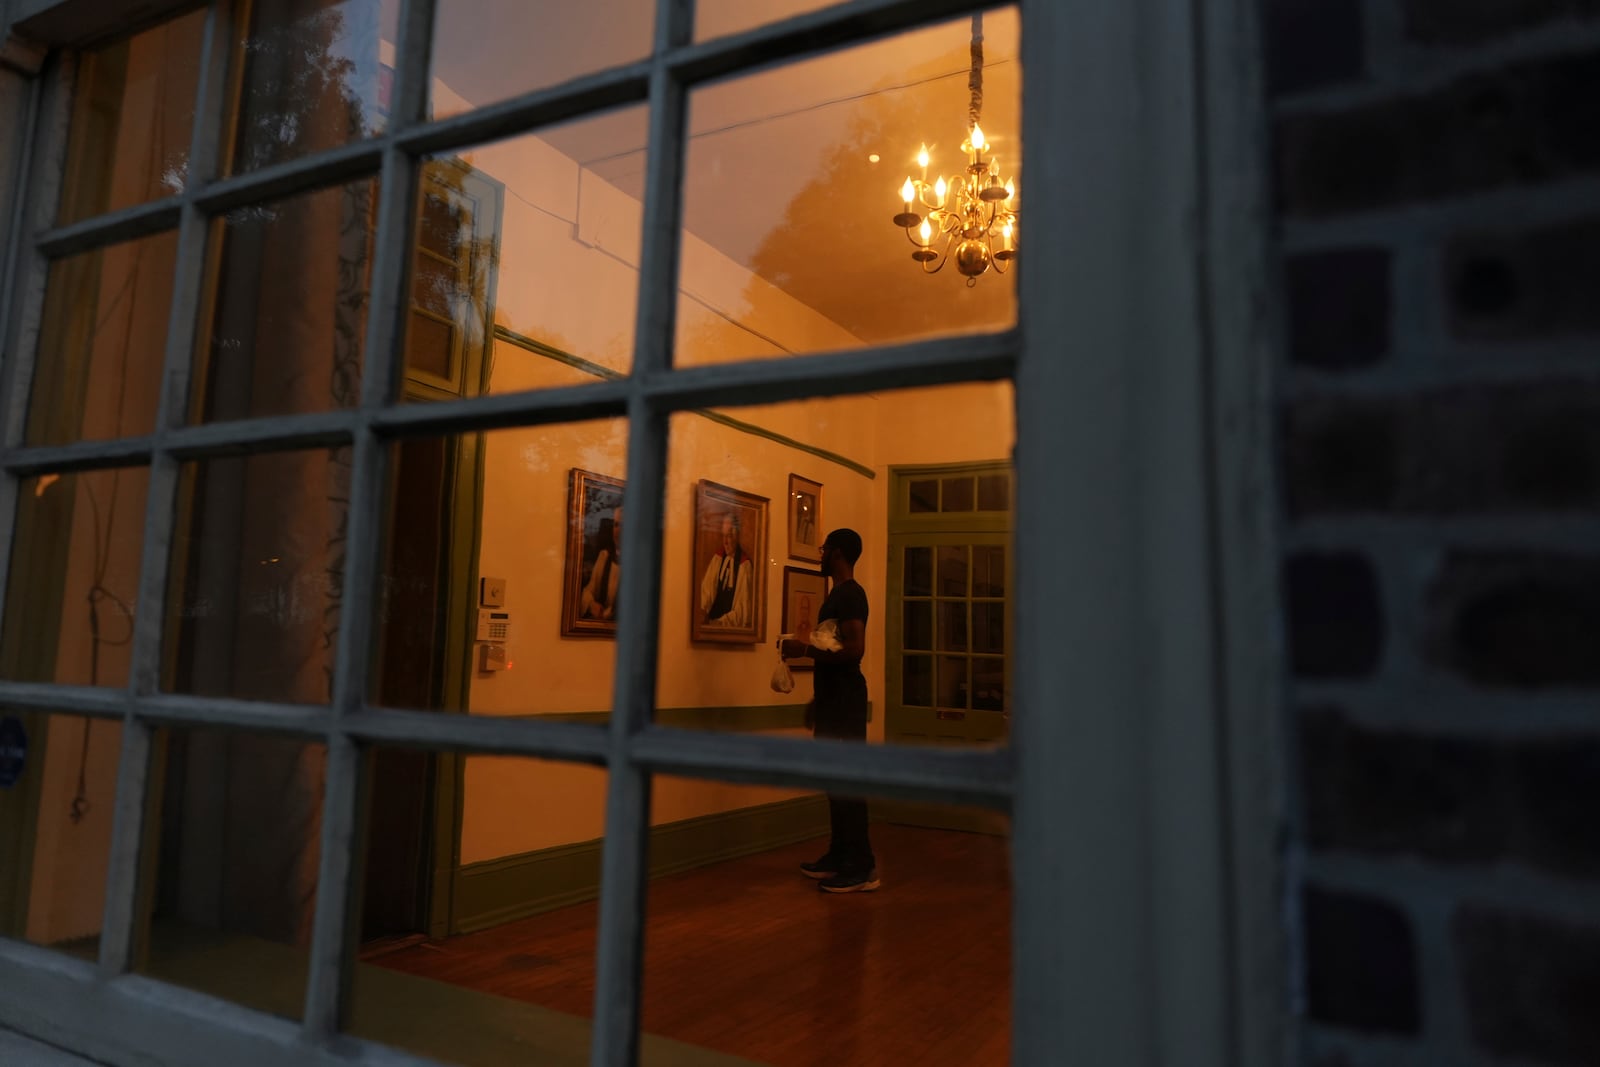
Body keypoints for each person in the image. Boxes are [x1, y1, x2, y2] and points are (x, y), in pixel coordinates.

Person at [781, 528, 876, 893]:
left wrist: (804, 651)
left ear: (837, 553)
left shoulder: (851, 594)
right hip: (835, 700)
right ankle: (840, 855)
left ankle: (862, 866)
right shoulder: (839, 594)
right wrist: (817, 702)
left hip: (846, 699)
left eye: (824, 549)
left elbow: (854, 651)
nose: (820, 554)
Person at [699, 511, 752, 629]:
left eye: (729, 536)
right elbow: (706, 593)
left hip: (726, 629)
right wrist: (701, 612)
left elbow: (741, 613)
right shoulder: (718, 558)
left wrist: (716, 623)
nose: (725, 542)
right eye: (724, 535)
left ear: (737, 535)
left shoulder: (745, 565)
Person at [580, 506, 621, 620]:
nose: (618, 530)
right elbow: (588, 591)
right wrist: (591, 604)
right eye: (616, 525)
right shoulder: (605, 557)